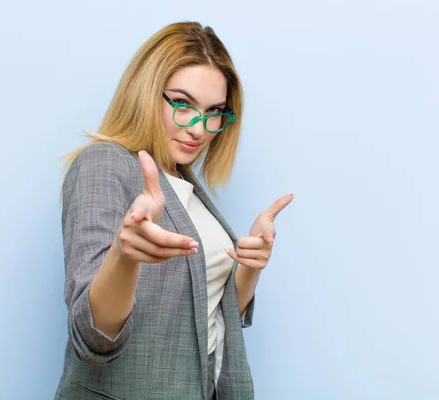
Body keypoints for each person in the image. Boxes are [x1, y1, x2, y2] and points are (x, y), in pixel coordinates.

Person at [55, 21, 294, 400]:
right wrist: (124, 255)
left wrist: (249, 266)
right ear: (146, 93)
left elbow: (207, 313)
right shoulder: (105, 164)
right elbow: (92, 333)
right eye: (183, 104)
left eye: (214, 111)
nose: (200, 128)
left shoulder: (185, 184)